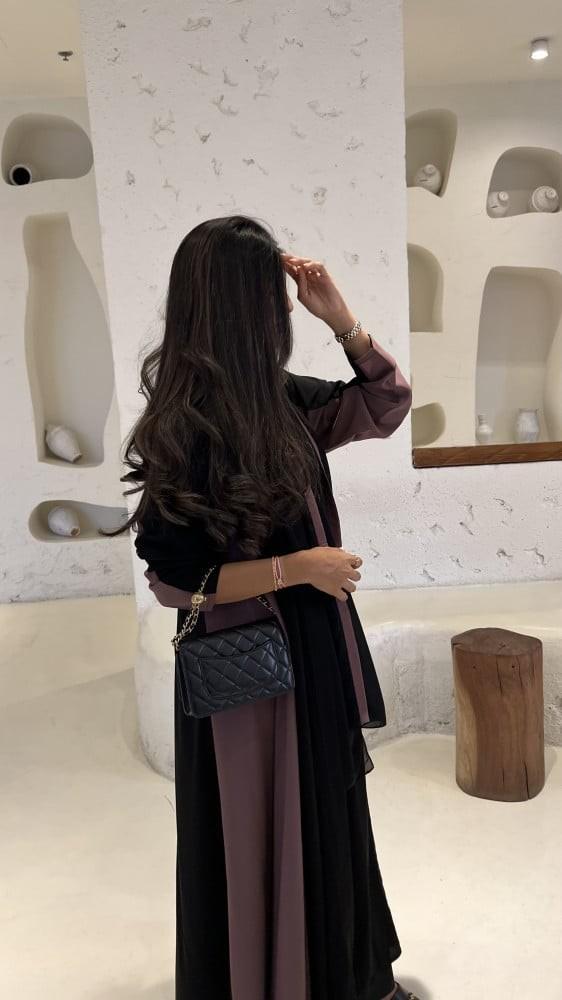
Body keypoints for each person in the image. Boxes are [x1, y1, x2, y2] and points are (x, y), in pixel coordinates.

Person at [109, 214, 416, 1000]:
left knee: (325, 817)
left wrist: (343, 322)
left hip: (312, 646)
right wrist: (296, 567)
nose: (286, 307)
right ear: (237, 306)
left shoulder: (282, 401)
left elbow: (384, 405)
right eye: (273, 294)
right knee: (265, 828)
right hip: (247, 669)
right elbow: (174, 582)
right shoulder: (187, 427)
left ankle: (342, 980)